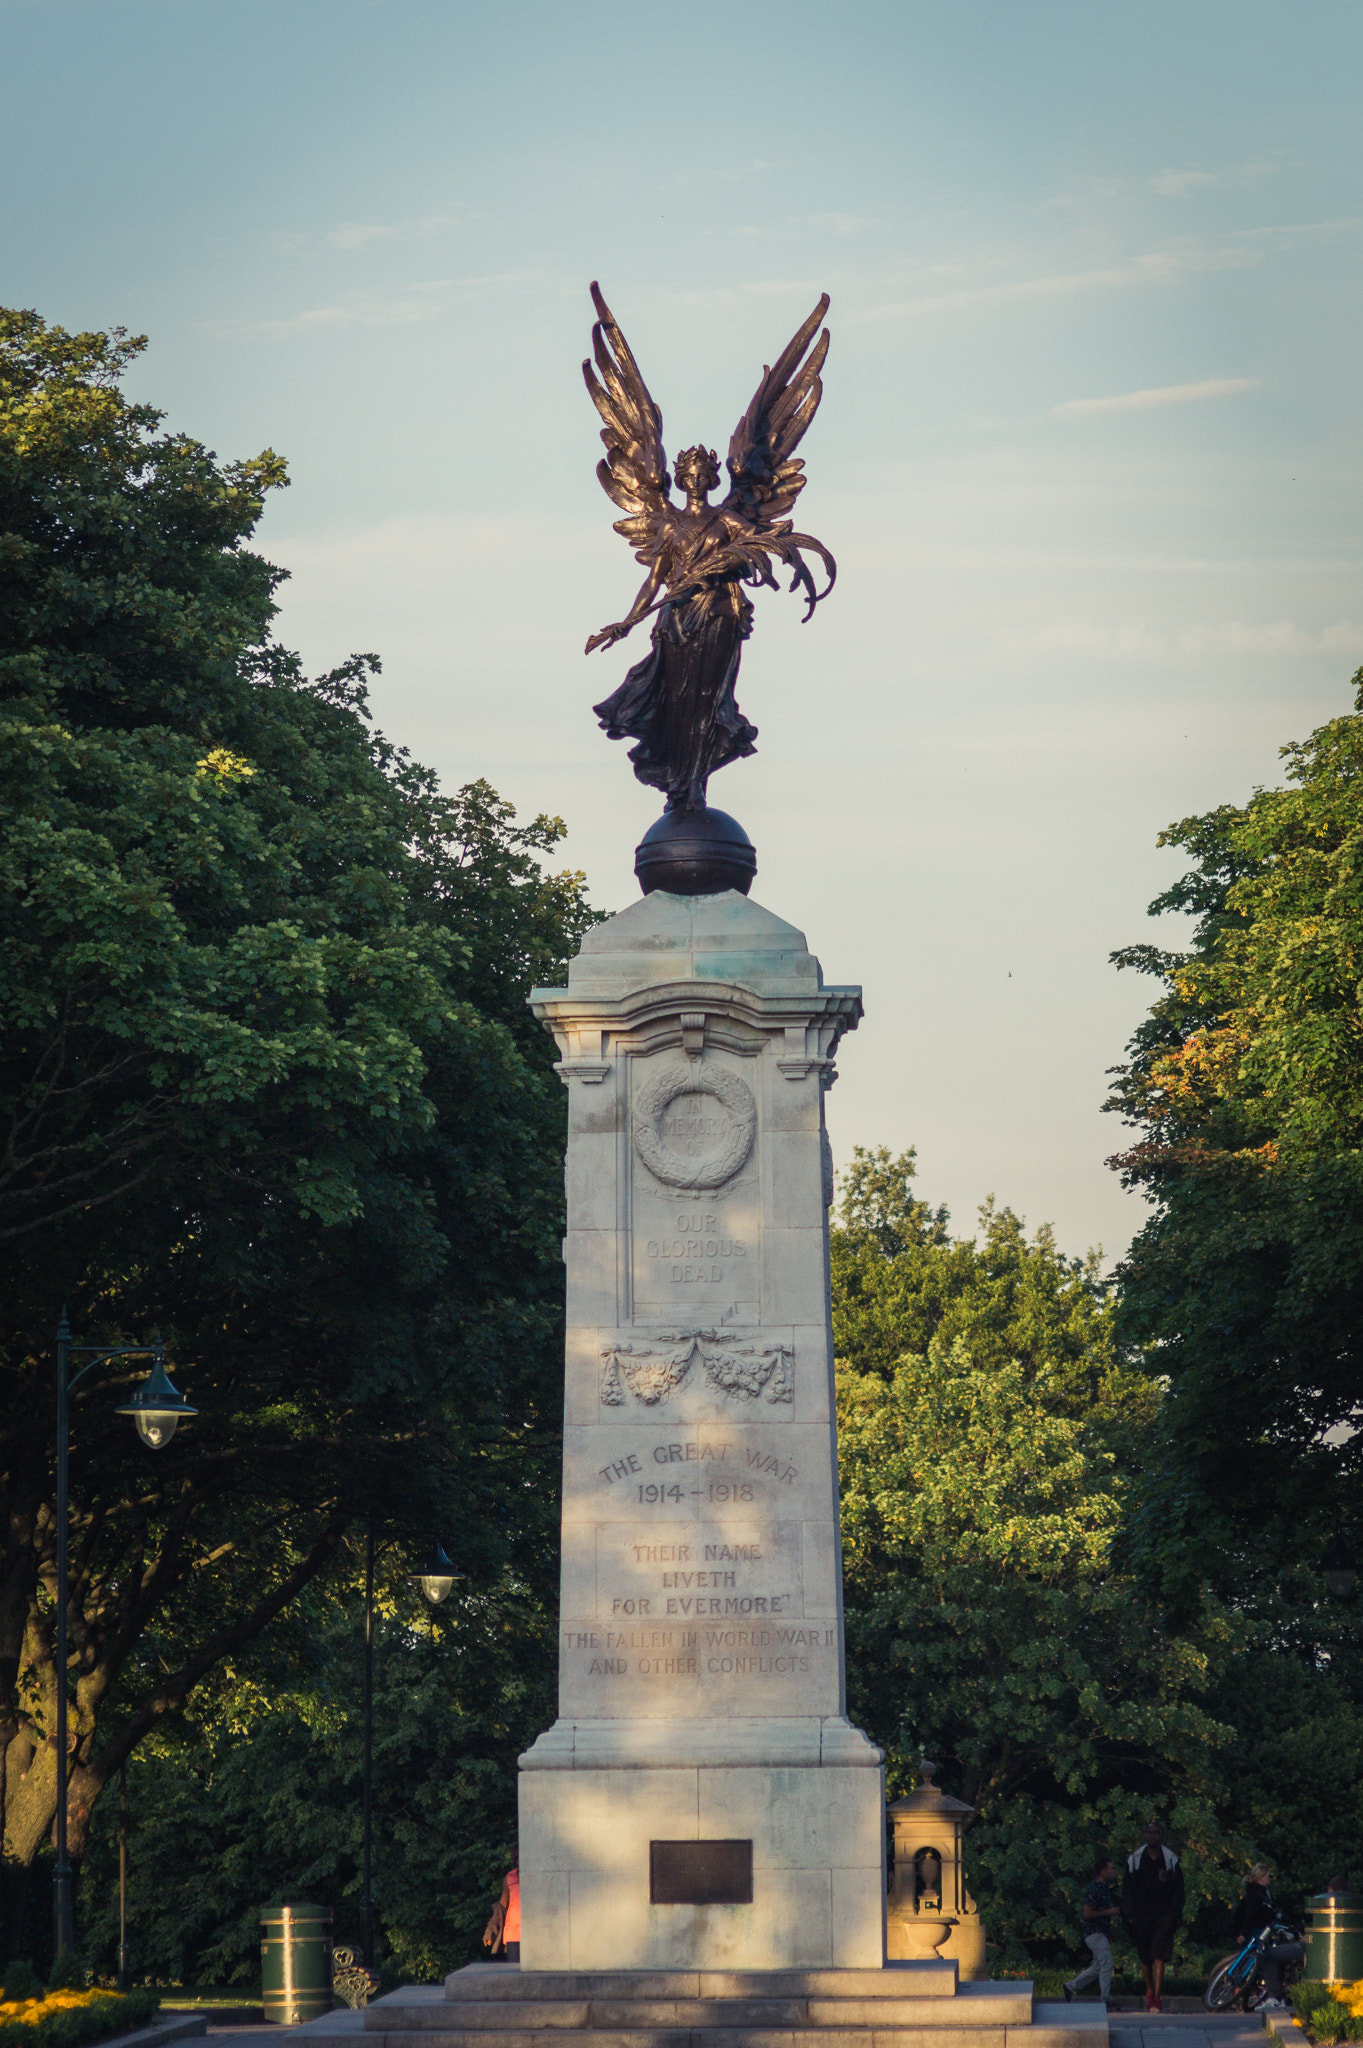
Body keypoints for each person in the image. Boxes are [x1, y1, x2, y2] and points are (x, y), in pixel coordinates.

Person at [1121, 1819, 1185, 2012]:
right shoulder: (1135, 1859)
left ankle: (1157, 1997)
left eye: (1157, 1833)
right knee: (1145, 1958)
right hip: (1140, 1916)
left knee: (1159, 1956)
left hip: (1163, 1916)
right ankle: (1149, 1989)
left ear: (1161, 1836)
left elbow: (1179, 1890)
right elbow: (1126, 1890)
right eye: (1150, 1833)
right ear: (1145, 1835)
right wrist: (1129, 1915)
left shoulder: (1170, 1859)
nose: (1153, 1836)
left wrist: (1174, 1914)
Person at [1230, 1861, 1304, 2010]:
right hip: (1255, 1932)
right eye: (1268, 1876)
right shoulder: (1257, 1895)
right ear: (1261, 1877)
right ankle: (1247, 1996)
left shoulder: (1261, 1893)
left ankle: (1246, 1998)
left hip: (1259, 1931)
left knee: (1257, 1961)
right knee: (1260, 1961)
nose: (1270, 1879)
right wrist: (1243, 1934)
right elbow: (1250, 1916)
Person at [1063, 1853, 1119, 2005]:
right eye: (1111, 1869)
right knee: (1107, 1964)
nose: (1113, 1871)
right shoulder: (1094, 1888)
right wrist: (1110, 1912)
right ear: (1103, 1871)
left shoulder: (1103, 1888)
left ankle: (1070, 1986)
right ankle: (1105, 1998)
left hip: (1100, 1933)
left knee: (1098, 1967)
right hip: (1094, 1932)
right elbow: (1087, 1913)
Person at [482, 1864, 521, 1965]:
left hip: (535, 1932)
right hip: (514, 1933)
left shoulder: (539, 1876)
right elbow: (501, 1908)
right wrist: (490, 1929)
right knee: (514, 1970)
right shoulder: (510, 1878)